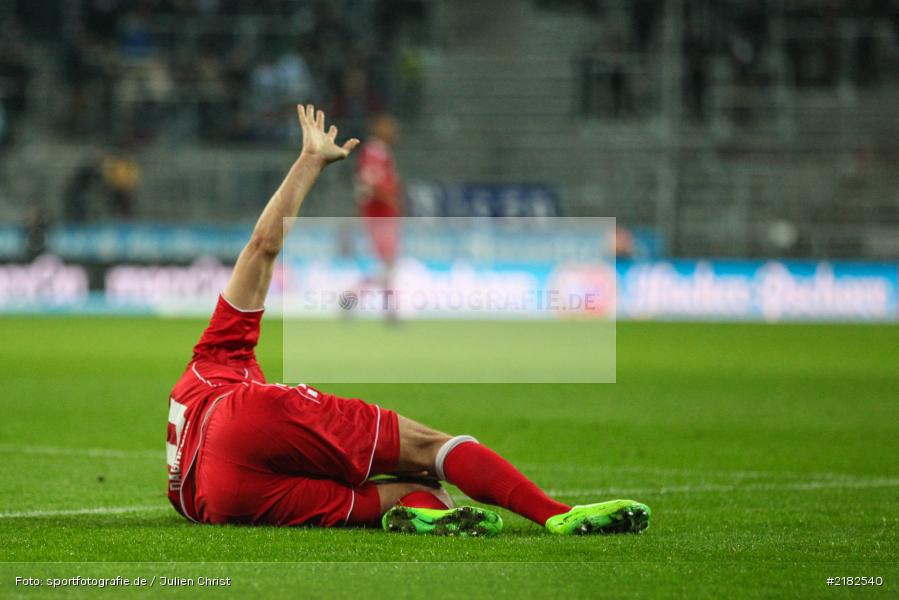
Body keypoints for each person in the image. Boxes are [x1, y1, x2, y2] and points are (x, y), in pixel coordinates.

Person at [166, 104, 651, 537]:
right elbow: (262, 247)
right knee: (430, 451)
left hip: (211, 498)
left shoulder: (198, 380)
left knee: (395, 495)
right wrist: (310, 160)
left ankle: (431, 511)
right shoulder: (219, 347)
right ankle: (554, 513)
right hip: (247, 419)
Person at [353, 113, 402, 319]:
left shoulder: (381, 152)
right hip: (379, 215)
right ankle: (351, 297)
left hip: (382, 215)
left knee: (387, 264)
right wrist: (391, 200)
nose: (394, 132)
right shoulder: (374, 151)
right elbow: (369, 184)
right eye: (389, 127)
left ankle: (388, 308)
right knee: (388, 263)